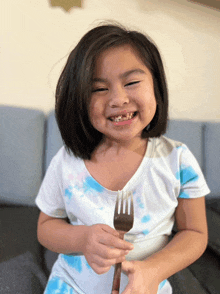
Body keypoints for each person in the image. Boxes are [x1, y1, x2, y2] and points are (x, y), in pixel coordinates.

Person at [36, 22, 210, 294]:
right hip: (72, 285)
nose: (118, 99)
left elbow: (195, 234)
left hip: (145, 285)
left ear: (156, 87)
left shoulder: (178, 160)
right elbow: (46, 227)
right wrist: (83, 239)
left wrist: (154, 270)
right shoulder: (66, 161)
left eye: (131, 83)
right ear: (79, 98)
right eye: (99, 89)